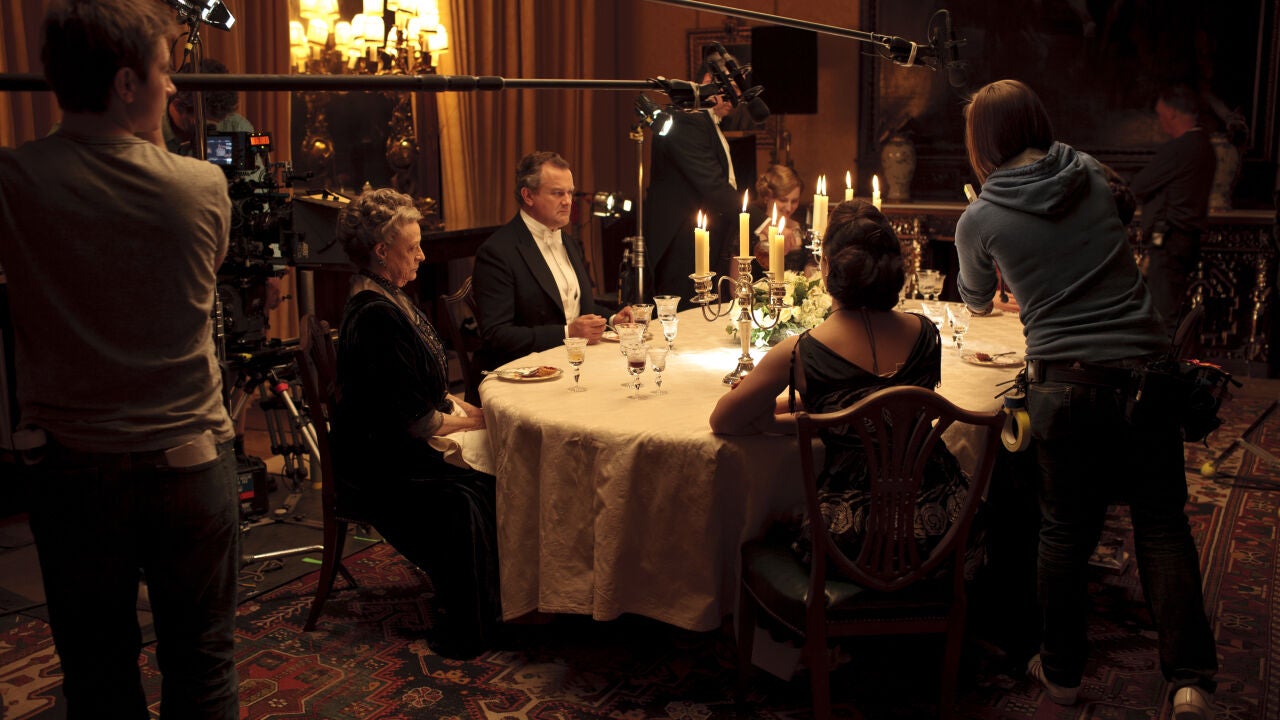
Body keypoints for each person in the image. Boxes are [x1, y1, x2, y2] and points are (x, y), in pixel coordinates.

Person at [0, 1, 239, 717]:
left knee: (96, 673)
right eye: (166, 71)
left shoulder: (13, 179)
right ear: (128, 84)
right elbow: (204, 269)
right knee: (202, 666)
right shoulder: (202, 185)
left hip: (71, 471)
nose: (174, 87)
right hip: (187, 463)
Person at [954, 79, 1217, 719]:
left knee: (1065, 531)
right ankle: (1190, 682)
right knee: (1163, 525)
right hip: (1148, 371)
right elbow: (1114, 224)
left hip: (1068, 383)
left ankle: (1063, 675)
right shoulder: (1088, 170)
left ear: (980, 140)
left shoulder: (979, 217)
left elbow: (976, 299)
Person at [710, 200, 976, 569]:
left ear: (825, 266)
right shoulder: (926, 335)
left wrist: (770, 419)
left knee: (765, 530)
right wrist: (790, 414)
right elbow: (879, 409)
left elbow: (724, 421)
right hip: (945, 529)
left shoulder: (801, 351)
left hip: (852, 543)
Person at [333, 188, 501, 658]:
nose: (423, 256)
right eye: (413, 247)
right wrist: (473, 424)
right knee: (476, 489)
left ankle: (509, 600)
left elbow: (423, 387)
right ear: (381, 251)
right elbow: (415, 421)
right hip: (380, 462)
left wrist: (470, 412)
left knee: (495, 461)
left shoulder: (388, 296)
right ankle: (477, 619)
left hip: (396, 439)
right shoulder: (374, 315)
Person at [472, 151, 630, 373]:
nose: (568, 201)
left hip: (575, 361)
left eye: (569, 192)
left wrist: (614, 320)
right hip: (526, 372)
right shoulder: (497, 252)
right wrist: (568, 333)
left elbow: (576, 308)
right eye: (557, 193)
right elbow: (496, 335)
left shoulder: (568, 241)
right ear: (528, 196)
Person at [644, 58, 744, 300]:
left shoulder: (707, 123)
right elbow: (713, 185)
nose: (737, 98)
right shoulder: (687, 118)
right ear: (710, 81)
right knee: (684, 313)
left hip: (702, 239)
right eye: (732, 90)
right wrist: (761, 222)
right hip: (683, 242)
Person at [1129, 84, 1216, 338]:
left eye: (1161, 114)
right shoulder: (1205, 146)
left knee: (1164, 315)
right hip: (1186, 240)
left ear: (1172, 113)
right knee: (1172, 311)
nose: (1160, 121)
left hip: (1170, 242)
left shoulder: (1181, 148)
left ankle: (1166, 362)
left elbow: (1139, 186)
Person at [163, 56, 254, 156]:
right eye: (207, 125)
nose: (213, 129)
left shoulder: (235, 126)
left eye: (219, 121)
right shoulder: (151, 128)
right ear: (179, 107)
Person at [749, 164, 816, 275]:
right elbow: (737, 282)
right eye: (783, 200)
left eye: (794, 201)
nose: (789, 208)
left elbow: (811, 276)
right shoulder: (748, 232)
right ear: (767, 197)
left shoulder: (805, 231)